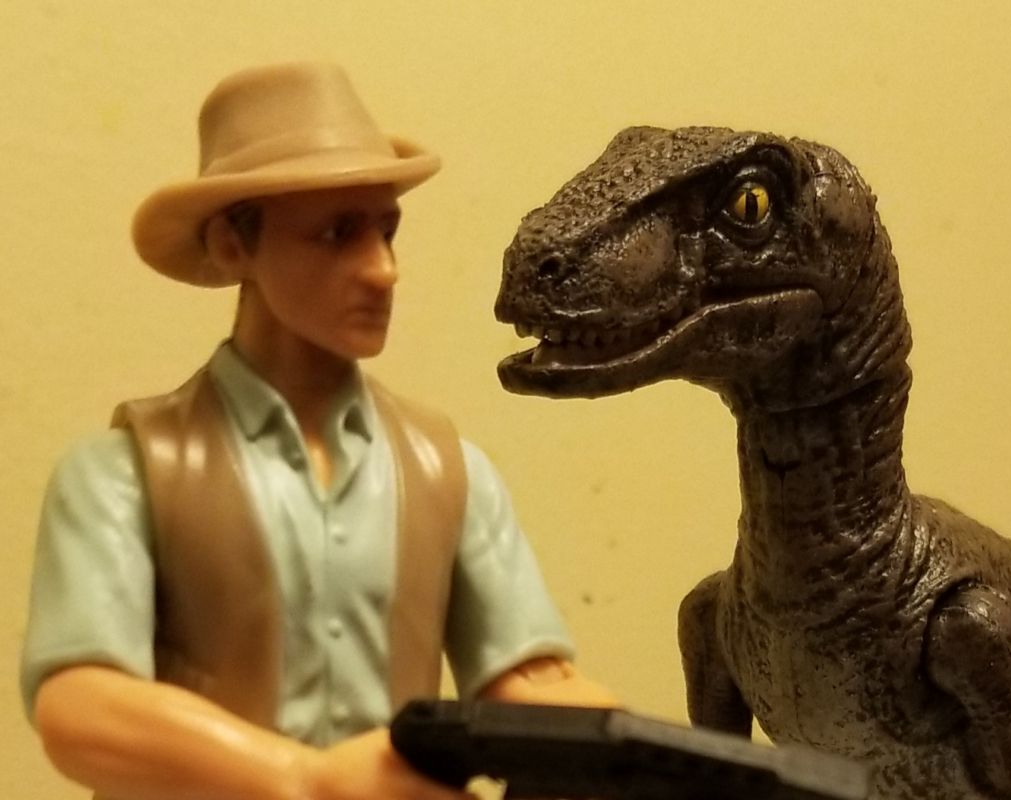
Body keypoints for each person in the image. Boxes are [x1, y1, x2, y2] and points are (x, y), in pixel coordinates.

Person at [21, 62, 614, 800]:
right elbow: (80, 708)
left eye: (386, 230)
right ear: (233, 245)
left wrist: (635, 753)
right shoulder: (125, 475)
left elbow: (525, 682)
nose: (382, 270)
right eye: (337, 234)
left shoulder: (447, 473)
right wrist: (308, 778)